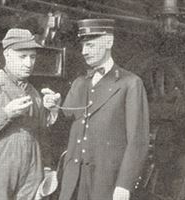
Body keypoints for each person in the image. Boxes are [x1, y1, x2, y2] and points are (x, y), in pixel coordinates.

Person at [42, 18, 150, 200]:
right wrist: (54, 110)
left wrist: (124, 184)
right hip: (73, 182)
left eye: (90, 45)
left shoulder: (130, 83)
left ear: (109, 42)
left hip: (106, 182)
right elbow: (65, 127)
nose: (84, 52)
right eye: (83, 46)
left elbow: (137, 140)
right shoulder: (79, 83)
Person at [0, 28, 58, 200]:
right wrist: (6, 113)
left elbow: (42, 137)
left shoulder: (34, 93)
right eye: (22, 57)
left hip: (28, 182)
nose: (29, 63)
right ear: (7, 55)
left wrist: (46, 169)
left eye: (32, 57)